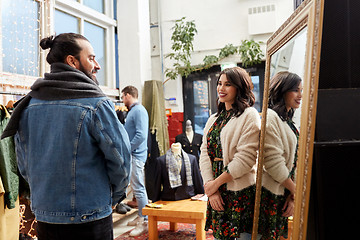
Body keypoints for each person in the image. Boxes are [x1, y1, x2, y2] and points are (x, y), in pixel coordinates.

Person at [1, 33, 131, 240]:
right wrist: (114, 196)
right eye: (91, 58)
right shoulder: (95, 103)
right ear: (72, 61)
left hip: (45, 215)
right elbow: (121, 160)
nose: (97, 65)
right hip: (91, 215)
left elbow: (24, 165)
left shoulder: (28, 105)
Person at [199, 67, 261, 239]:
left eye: (228, 84)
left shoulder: (249, 115)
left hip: (240, 191)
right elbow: (204, 152)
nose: (221, 88)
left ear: (239, 87)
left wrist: (215, 184)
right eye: (219, 83)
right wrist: (211, 188)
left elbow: (246, 159)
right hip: (217, 192)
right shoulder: (213, 119)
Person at [258, 71, 302, 240]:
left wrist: (292, 195)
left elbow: (296, 160)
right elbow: (272, 162)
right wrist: (295, 191)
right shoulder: (270, 117)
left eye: (301, 90)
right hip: (271, 194)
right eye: (296, 90)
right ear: (283, 90)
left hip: (285, 191)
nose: (300, 95)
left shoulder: (288, 121)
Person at [121, 85, 150, 237]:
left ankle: (144, 221)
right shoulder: (134, 111)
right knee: (137, 187)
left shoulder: (138, 111)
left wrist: (127, 149)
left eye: (123, 96)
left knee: (138, 188)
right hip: (134, 155)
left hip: (136, 155)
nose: (122, 100)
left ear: (127, 95)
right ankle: (141, 216)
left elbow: (141, 136)